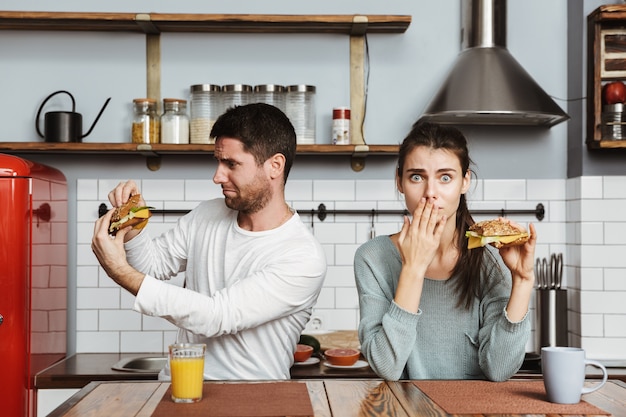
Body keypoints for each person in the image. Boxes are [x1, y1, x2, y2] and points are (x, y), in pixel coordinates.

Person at [92, 103, 327, 380]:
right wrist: (133, 223)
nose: (217, 176)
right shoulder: (207, 214)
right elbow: (152, 266)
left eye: (231, 164)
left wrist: (118, 270)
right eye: (218, 162)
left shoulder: (302, 256)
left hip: (254, 400)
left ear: (274, 166)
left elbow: (216, 316)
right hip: (179, 389)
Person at [353, 121, 536, 381]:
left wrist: (523, 280)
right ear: (399, 182)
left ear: (465, 182)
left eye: (445, 177)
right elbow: (387, 367)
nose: (430, 193)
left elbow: (500, 370)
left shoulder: (492, 259)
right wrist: (413, 268)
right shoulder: (372, 258)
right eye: (416, 177)